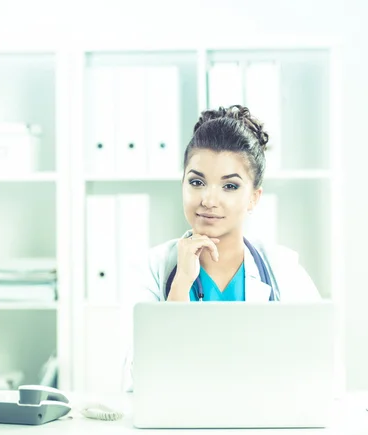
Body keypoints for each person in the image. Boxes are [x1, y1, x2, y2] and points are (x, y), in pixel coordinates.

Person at [120, 105, 320, 390]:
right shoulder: (150, 269)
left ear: (253, 197)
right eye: (197, 182)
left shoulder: (283, 270)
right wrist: (180, 287)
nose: (209, 200)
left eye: (230, 187)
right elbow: (137, 382)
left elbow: (322, 373)